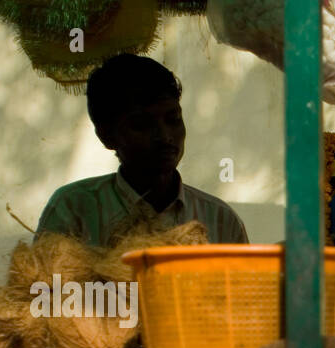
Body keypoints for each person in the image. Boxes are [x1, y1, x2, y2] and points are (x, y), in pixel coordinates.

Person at [35, 54, 248, 248]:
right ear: (106, 136)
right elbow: (43, 288)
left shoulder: (220, 220)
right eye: (142, 124)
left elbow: (244, 289)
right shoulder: (73, 210)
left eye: (173, 119)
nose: (165, 136)